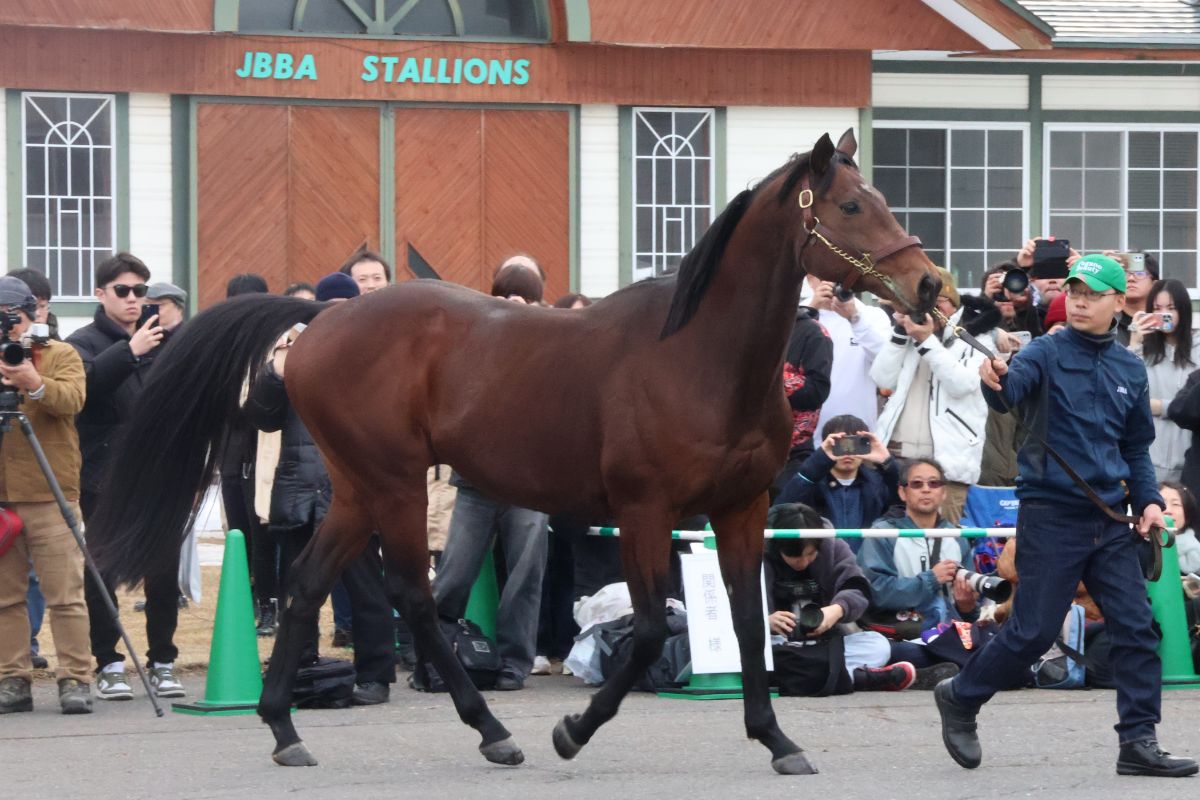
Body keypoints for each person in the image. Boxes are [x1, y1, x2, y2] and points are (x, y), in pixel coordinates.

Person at [935, 254, 1197, 778]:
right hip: (1051, 514)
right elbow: (1008, 393)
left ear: (1118, 302)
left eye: (1092, 294)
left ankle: (1138, 741)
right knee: (1032, 632)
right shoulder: (1044, 351)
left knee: (1138, 629)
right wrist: (993, 378)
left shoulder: (1130, 368)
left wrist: (1148, 502)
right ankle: (961, 696)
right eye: (1075, 291)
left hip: (1111, 519)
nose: (1079, 301)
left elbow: (1136, 447)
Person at [245, 272, 397, 704]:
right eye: (328, 309)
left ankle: (376, 674)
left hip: (353, 492)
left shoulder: (374, 358)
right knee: (298, 587)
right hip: (298, 487)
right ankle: (300, 668)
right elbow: (262, 417)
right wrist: (276, 369)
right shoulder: (298, 354)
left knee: (366, 587)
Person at [431, 258, 551, 690]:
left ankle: (515, 663)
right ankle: (435, 658)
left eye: (524, 298)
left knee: (525, 577)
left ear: (538, 303)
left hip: (532, 483)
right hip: (476, 481)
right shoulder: (472, 342)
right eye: (505, 296)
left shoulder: (552, 348)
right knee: (453, 574)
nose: (513, 304)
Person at [67, 252, 182, 700]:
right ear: (101, 294)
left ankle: (163, 661)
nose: (133, 299)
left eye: (140, 290)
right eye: (123, 290)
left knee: (164, 569)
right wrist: (129, 352)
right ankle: (109, 662)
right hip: (103, 474)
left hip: (159, 473)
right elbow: (83, 389)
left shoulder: (162, 343)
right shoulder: (82, 342)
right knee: (102, 569)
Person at [0, 276, 91, 714]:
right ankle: (12, 679)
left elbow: (72, 401)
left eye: (12, 317)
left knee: (65, 595)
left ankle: (75, 678)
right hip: (3, 497)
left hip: (51, 492)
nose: (7, 326)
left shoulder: (60, 354)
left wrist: (33, 380)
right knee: (4, 598)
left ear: (33, 314)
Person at [871, 269, 998, 523]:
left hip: (946, 467)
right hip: (895, 459)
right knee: (889, 538)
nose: (930, 312)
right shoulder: (910, 331)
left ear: (953, 303)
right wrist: (899, 334)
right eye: (923, 305)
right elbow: (882, 378)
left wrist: (927, 341)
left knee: (941, 540)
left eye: (937, 304)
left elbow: (962, 384)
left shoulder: (977, 338)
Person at [765, 503, 915, 692]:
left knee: (878, 645)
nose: (803, 562)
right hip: (776, 644)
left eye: (810, 554)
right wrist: (765, 621)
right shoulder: (758, 549)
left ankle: (814, 676)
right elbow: (736, 609)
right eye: (794, 556)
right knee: (754, 657)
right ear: (778, 547)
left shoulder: (830, 543)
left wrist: (836, 610)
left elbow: (858, 586)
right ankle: (858, 678)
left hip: (824, 643)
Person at [858, 458, 980, 632]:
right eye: (917, 484)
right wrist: (931, 579)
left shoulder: (957, 537)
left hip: (949, 634)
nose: (926, 489)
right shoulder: (882, 534)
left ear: (944, 493)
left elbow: (969, 614)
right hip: (897, 632)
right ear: (902, 492)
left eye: (934, 483)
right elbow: (877, 592)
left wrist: (967, 606)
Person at [774, 415, 898, 552]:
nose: (848, 452)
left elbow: (902, 504)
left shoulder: (877, 483)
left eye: (855, 444)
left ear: (866, 445)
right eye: (841, 445)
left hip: (866, 562)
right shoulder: (810, 481)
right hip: (822, 561)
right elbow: (779, 512)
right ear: (826, 445)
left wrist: (888, 463)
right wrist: (816, 463)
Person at [804, 276, 890, 436]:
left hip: (857, 428)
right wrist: (810, 311)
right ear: (809, 279)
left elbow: (886, 363)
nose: (829, 282)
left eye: (834, 276)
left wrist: (855, 318)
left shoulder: (872, 315)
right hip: (804, 431)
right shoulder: (796, 313)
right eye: (821, 276)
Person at [1128, 278, 1193, 483]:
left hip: (1190, 468)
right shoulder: (1142, 352)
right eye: (1157, 308)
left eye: (1171, 308)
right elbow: (1124, 393)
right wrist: (1135, 343)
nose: (1164, 314)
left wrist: (1161, 407)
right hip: (1147, 466)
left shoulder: (1197, 350)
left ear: (1183, 310)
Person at [774, 304, 832, 492]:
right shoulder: (742, 326)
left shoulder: (813, 332)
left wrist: (769, 377)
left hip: (791, 450)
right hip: (735, 449)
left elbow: (817, 391)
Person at [1160, 481, 1200, 575]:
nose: (1168, 510)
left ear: (1187, 513)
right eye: (1161, 503)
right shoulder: (1134, 546)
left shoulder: (1195, 551)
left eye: (1176, 504)